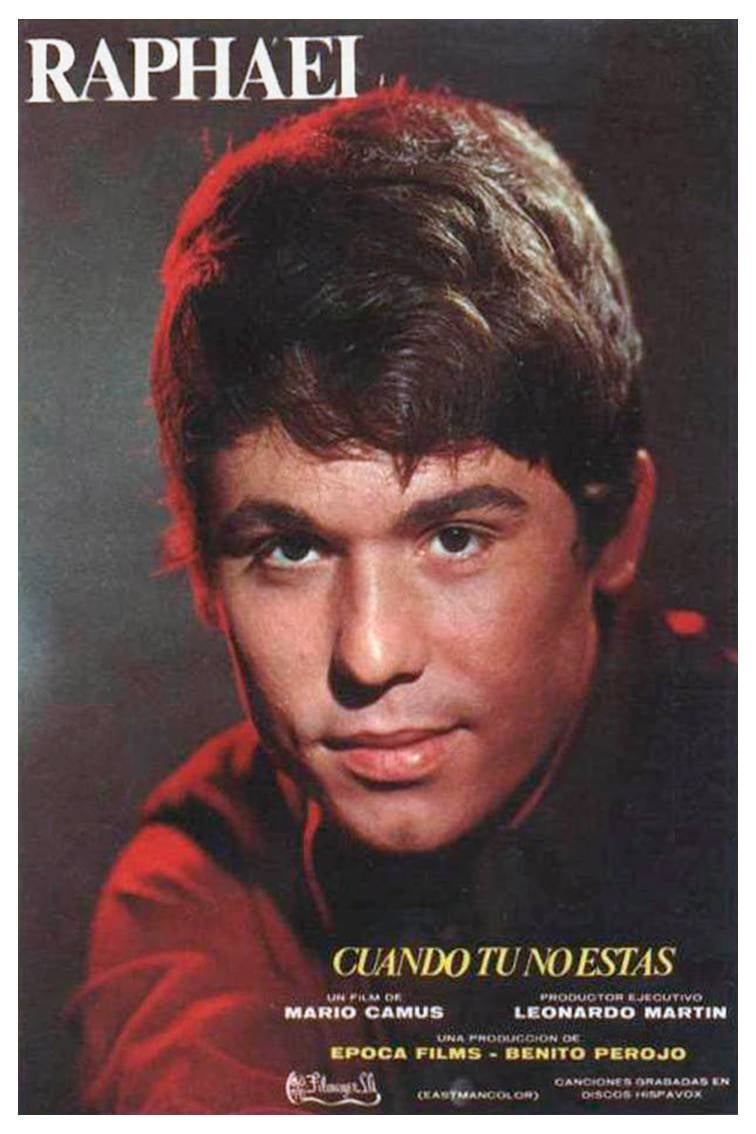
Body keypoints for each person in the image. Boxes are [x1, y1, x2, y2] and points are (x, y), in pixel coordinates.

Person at [70, 86, 735, 1114]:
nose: (371, 654)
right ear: (204, 574)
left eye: (456, 538)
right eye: (291, 549)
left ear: (613, 533)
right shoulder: (205, 877)